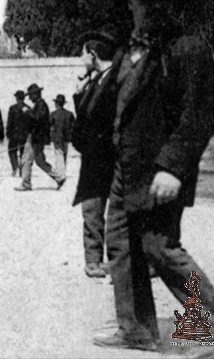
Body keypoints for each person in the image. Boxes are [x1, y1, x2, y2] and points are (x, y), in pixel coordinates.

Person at [93, 0, 214, 352]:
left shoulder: (188, 49)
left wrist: (172, 167)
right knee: (120, 246)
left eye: (160, 0)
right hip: (124, 169)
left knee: (159, 247)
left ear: (173, 3)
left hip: (159, 171)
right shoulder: (127, 52)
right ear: (131, 3)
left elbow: (199, 117)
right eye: (142, 0)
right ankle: (136, 330)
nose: (150, 8)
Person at [71, 30, 118, 279]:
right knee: (91, 210)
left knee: (115, 215)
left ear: (93, 54)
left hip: (108, 158)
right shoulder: (96, 80)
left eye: (83, 54)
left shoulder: (115, 80)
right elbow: (87, 117)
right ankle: (93, 261)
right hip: (94, 159)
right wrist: (80, 92)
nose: (81, 58)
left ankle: (117, 263)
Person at [14, 83, 66, 191]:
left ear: (36, 94)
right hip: (37, 137)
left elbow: (37, 118)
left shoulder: (41, 105)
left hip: (36, 137)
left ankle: (26, 184)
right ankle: (59, 177)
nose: (29, 97)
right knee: (40, 161)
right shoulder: (40, 104)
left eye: (31, 95)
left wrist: (25, 110)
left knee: (26, 160)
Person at [6, 90, 30, 177]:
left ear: (16, 97)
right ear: (24, 98)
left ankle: (15, 167)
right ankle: (22, 170)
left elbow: (9, 122)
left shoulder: (12, 108)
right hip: (24, 134)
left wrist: (8, 133)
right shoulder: (28, 107)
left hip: (14, 134)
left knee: (12, 151)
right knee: (23, 152)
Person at [50, 94, 75, 175]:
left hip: (56, 137)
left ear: (57, 103)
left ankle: (61, 173)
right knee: (64, 154)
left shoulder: (53, 114)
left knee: (58, 154)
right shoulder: (69, 114)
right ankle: (62, 171)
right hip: (66, 138)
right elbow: (73, 126)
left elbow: (49, 125)